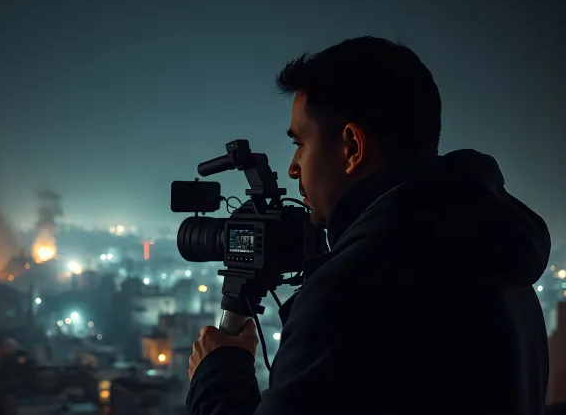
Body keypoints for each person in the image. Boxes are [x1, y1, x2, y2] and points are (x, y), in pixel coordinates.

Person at [186, 37, 551, 414]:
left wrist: (218, 374)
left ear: (352, 148)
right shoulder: (506, 268)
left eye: (301, 144)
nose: (294, 168)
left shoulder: (353, 291)